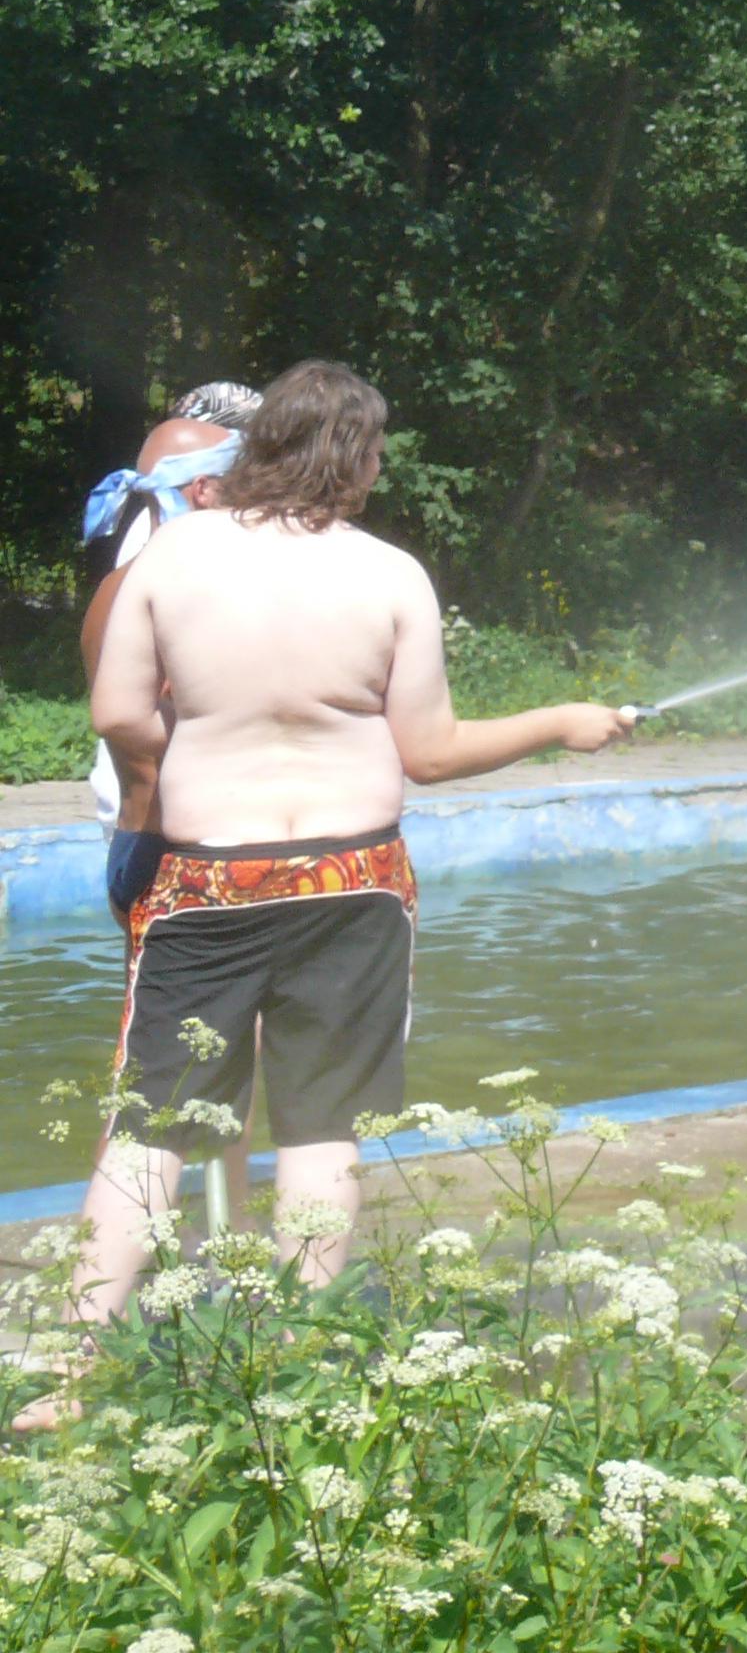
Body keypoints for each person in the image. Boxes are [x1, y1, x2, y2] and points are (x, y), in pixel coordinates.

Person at [31, 363, 636, 1428]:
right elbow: (431, 752)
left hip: (207, 877)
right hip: (354, 881)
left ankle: (72, 1373)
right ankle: (301, 1359)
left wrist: (198, 755)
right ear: (356, 458)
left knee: (150, 1127)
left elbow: (119, 712)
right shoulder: (390, 574)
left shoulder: (172, 559)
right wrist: (560, 722)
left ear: (262, 444)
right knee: (322, 1127)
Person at [77, 382, 265, 928]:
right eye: (244, 483)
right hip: (191, 851)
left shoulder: (114, 588)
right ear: (204, 489)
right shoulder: (191, 592)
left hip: (134, 846)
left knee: (152, 986)